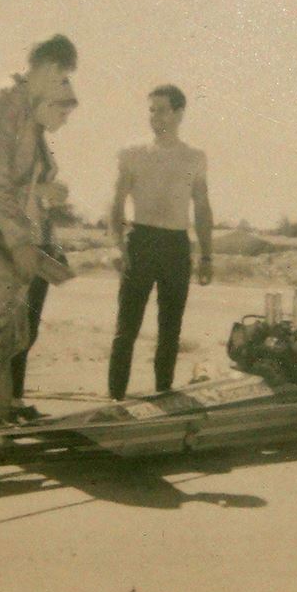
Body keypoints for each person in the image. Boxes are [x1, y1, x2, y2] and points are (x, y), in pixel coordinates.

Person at [0, 34, 77, 431]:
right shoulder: (0, 107)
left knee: (10, 338)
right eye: (62, 78)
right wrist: (23, 243)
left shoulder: (23, 112)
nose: (62, 87)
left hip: (12, 239)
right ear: (49, 68)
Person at [107, 84, 214, 401]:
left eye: (163, 110)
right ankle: (115, 398)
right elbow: (115, 202)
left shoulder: (195, 157)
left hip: (176, 245)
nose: (156, 117)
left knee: (170, 328)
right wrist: (117, 245)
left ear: (180, 113)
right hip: (141, 240)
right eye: (151, 110)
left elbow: (202, 207)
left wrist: (207, 256)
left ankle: (163, 393)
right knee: (126, 327)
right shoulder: (132, 153)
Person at [9, 94, 79, 422]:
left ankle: (13, 399)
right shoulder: (19, 141)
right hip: (19, 245)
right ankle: (5, 401)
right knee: (17, 328)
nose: (64, 120)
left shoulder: (40, 142)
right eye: (62, 112)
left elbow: (41, 201)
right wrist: (41, 192)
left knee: (28, 329)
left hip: (40, 243)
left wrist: (53, 239)